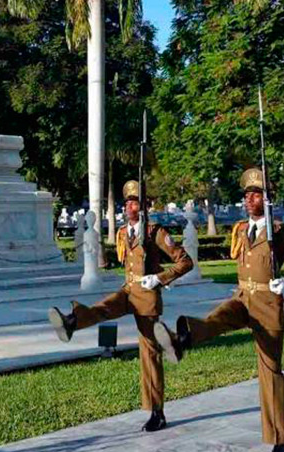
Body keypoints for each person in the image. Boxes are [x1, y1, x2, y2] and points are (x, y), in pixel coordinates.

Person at [154, 168, 284, 452]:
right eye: (246, 195)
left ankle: (281, 444)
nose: (248, 199)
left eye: (255, 195)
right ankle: (183, 338)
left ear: (267, 199)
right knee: (218, 317)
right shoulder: (242, 229)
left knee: (270, 374)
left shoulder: (282, 232)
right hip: (243, 297)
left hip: (268, 305)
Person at [48, 180, 192, 432]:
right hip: (128, 290)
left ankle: (157, 411)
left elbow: (185, 262)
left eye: (134, 202)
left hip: (147, 297)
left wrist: (159, 278)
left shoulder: (155, 232)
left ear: (144, 206)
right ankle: (72, 321)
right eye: (127, 202)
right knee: (104, 306)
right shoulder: (125, 232)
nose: (129, 206)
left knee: (149, 356)